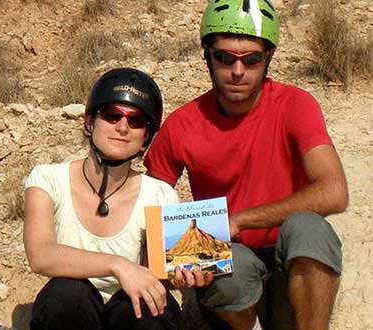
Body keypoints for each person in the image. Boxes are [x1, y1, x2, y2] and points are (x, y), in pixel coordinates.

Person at [144, 1, 348, 329]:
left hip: (288, 267)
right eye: (225, 57)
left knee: (310, 231)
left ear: (268, 58)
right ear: (206, 55)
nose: (238, 71)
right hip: (231, 278)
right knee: (229, 262)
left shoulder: (297, 105)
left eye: (251, 60)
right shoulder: (182, 124)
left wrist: (239, 220)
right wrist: (173, 264)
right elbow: (149, 206)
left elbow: (334, 192)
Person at [24, 68, 183, 330]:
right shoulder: (48, 179)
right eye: (112, 116)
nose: (122, 127)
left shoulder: (159, 194)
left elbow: (156, 275)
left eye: (136, 121)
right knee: (66, 294)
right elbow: (40, 255)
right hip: (75, 311)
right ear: (90, 122)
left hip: (128, 313)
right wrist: (118, 265)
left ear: (146, 137)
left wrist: (184, 274)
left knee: (149, 309)